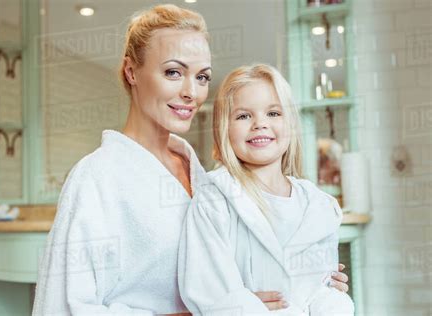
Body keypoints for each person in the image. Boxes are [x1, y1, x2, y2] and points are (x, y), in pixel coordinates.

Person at [33, 5, 349, 315]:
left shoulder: (202, 176)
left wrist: (310, 282)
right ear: (131, 71)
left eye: (202, 77)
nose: (191, 92)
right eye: (173, 72)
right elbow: (61, 307)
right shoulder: (96, 178)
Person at [178, 64, 354, 315]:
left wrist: (331, 298)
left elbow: (322, 286)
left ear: (290, 123)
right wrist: (242, 305)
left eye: (273, 113)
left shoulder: (318, 205)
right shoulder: (214, 201)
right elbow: (207, 292)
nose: (260, 124)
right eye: (243, 116)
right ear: (224, 129)